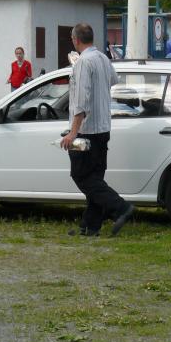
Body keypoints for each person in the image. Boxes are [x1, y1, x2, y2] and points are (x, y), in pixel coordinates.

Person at [60, 23, 134, 236]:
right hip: (103, 127)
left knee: (82, 176)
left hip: (87, 130)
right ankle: (90, 226)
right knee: (95, 178)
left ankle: (120, 207)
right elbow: (113, 80)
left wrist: (73, 132)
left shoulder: (83, 62)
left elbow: (81, 100)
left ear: (76, 40)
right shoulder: (102, 58)